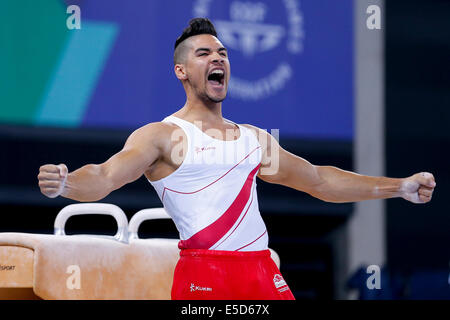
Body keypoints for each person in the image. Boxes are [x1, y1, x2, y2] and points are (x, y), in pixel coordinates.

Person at [37, 18, 436, 300]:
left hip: (261, 272)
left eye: (223, 53)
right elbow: (106, 176)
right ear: (181, 70)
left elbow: (320, 181)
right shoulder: (162, 136)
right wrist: (67, 182)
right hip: (204, 275)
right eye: (204, 53)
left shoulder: (252, 140)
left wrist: (398, 187)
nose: (218, 59)